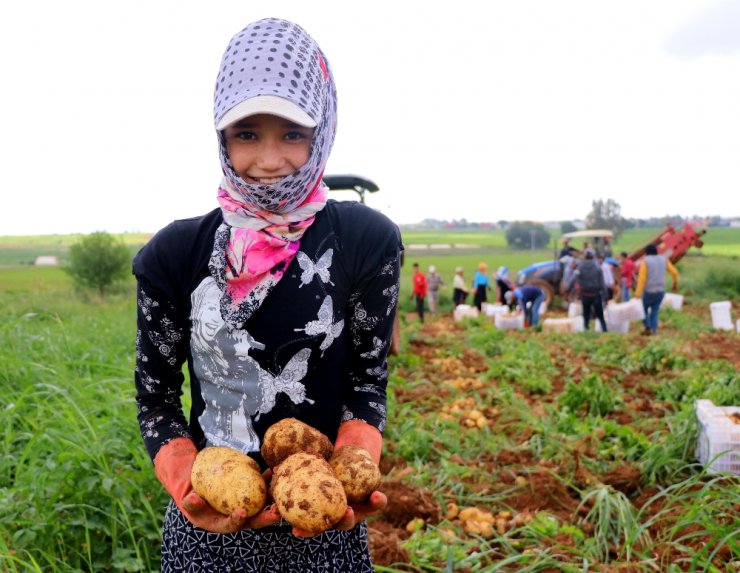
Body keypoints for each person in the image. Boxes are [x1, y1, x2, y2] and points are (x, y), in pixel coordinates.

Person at [132, 18, 402, 572]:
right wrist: (189, 483)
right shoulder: (173, 255)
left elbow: (366, 383)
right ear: (221, 135)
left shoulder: (366, 242)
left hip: (322, 525)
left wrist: (353, 463)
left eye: (293, 133)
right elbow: (157, 397)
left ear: (321, 129)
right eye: (247, 133)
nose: (270, 160)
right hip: (207, 534)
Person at [634, 244, 679, 336]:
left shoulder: (645, 261)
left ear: (646, 253)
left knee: (642, 309)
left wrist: (638, 294)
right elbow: (675, 272)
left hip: (649, 291)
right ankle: (654, 332)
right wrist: (675, 283)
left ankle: (647, 326)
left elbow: (642, 279)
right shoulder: (664, 260)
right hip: (660, 291)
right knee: (654, 312)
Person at [566, 248, 607, 332]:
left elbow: (573, 279)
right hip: (596, 295)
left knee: (586, 314)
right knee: (600, 315)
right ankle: (604, 331)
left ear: (585, 256)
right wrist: (606, 297)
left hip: (585, 295)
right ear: (593, 257)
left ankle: (586, 330)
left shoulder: (580, 267)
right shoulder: (598, 267)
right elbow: (603, 284)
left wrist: (567, 290)